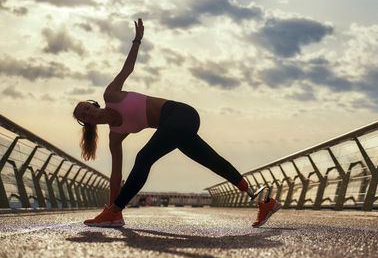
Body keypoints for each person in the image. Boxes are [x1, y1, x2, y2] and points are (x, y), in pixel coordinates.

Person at [73, 18, 281, 228]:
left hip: (180, 114)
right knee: (211, 160)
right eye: (84, 115)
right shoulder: (115, 135)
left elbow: (127, 69)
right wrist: (110, 201)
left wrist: (136, 41)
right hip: (172, 129)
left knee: (144, 157)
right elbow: (115, 175)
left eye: (87, 107)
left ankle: (115, 213)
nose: (88, 112)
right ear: (86, 123)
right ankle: (265, 202)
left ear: (93, 104)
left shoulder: (111, 95)